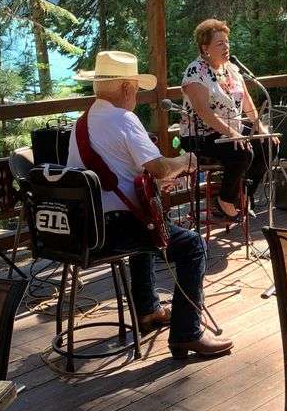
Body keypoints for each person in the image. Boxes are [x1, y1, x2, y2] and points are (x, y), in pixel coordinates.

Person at [67, 50, 232, 359]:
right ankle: (187, 333)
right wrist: (187, 159)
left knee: (146, 231)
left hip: (88, 229)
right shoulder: (123, 118)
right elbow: (160, 168)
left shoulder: (81, 124)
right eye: (136, 91)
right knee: (193, 245)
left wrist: (154, 180)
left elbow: (114, 175)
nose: (136, 97)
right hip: (116, 229)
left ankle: (147, 311)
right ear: (127, 88)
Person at [180, 19, 276, 219]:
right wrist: (233, 134)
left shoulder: (231, 69)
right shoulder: (195, 71)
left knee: (268, 145)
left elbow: (248, 102)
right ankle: (225, 199)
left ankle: (244, 196)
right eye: (220, 43)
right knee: (243, 151)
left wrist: (261, 128)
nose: (226, 47)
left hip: (232, 132)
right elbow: (204, 112)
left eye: (227, 42)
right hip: (201, 136)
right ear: (205, 48)